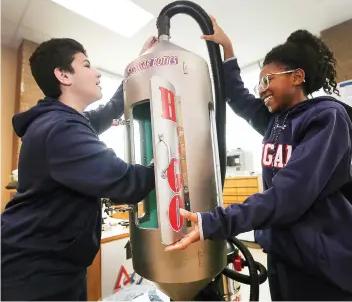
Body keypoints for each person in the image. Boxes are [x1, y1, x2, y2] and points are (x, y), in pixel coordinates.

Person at [165, 16, 352, 300]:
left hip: (320, 262)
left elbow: (288, 195)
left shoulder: (327, 118)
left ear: (297, 77)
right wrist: (227, 50)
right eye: (259, 83)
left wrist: (215, 222)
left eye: (267, 80)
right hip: (283, 251)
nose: (262, 88)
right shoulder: (275, 121)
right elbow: (238, 97)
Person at [1, 36, 157, 301]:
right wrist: (167, 161)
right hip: (35, 274)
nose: (96, 72)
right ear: (64, 75)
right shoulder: (60, 129)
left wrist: (135, 68)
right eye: (86, 65)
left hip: (51, 264)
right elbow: (125, 182)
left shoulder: (66, 120)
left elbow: (109, 111)